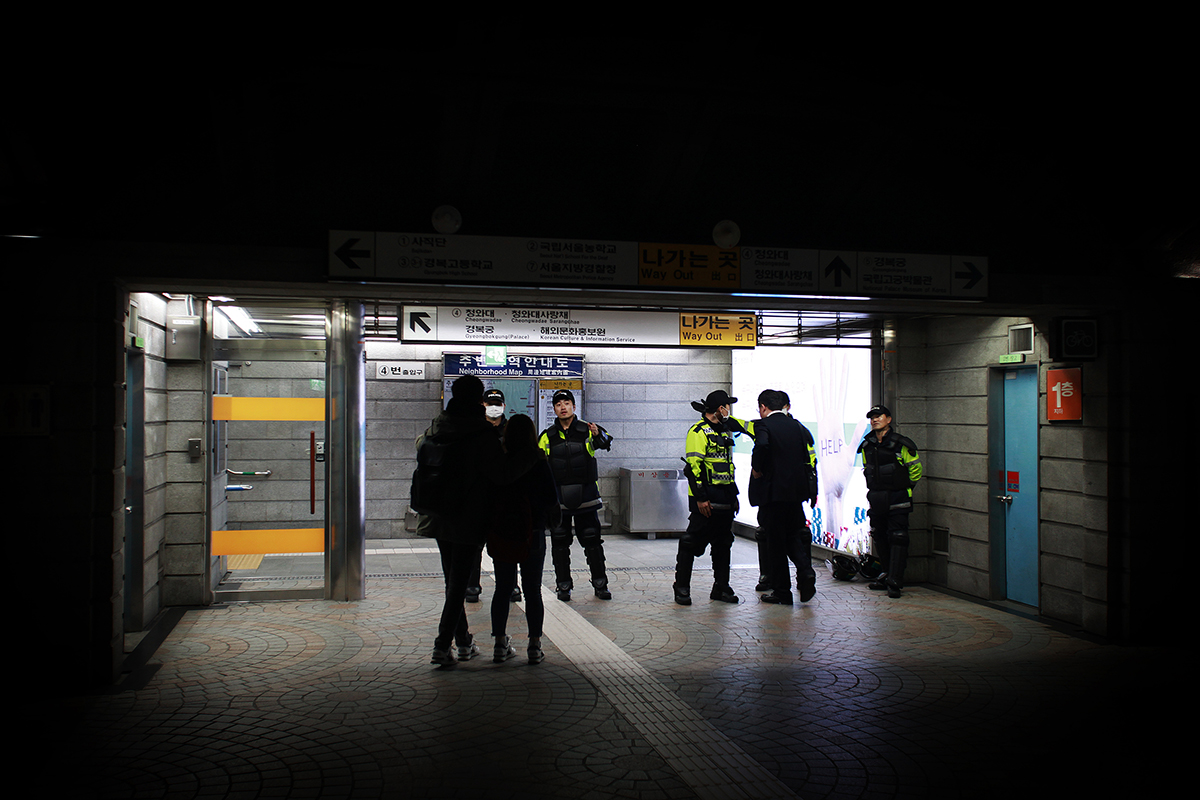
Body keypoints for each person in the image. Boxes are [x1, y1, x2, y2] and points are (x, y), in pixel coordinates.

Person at [418, 374, 506, 668]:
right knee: (458, 583)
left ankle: (464, 641)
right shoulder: (482, 434)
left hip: (439, 511)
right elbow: (498, 475)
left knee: (452, 580)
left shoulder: (437, 426)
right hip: (469, 514)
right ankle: (442, 645)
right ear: (479, 399)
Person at [488, 414, 558, 664]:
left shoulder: (498, 460)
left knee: (502, 588)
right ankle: (534, 645)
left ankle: (498, 643)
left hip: (502, 532)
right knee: (532, 591)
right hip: (534, 532)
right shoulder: (539, 460)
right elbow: (551, 498)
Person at [674, 390, 754, 605]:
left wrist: (733, 496)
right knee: (691, 543)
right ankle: (681, 586)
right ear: (720, 408)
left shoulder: (725, 429)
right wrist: (700, 498)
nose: (729, 410)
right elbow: (693, 467)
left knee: (723, 543)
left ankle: (721, 587)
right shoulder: (698, 432)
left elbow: (728, 465)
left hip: (725, 497)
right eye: (727, 406)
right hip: (706, 499)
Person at [538, 389, 614, 601]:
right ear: (553, 408)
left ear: (573, 406)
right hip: (558, 500)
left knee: (591, 540)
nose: (563, 407)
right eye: (558, 404)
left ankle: (600, 585)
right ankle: (563, 586)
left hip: (587, 498)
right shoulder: (546, 437)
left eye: (567, 402)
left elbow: (606, 443)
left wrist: (598, 434)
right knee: (560, 543)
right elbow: (539, 466)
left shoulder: (588, 429)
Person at [749, 389, 819, 605]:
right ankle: (806, 571)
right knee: (793, 537)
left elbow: (761, 445)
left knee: (776, 543)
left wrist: (756, 467)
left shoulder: (763, 425)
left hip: (773, 494)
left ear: (762, 407)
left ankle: (782, 591)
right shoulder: (798, 426)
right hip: (796, 494)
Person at [856, 405, 922, 598]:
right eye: (872, 417)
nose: (875, 420)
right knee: (879, 536)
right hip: (877, 498)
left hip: (898, 497)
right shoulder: (867, 445)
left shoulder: (901, 444)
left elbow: (915, 470)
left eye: (879, 416)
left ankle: (895, 580)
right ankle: (886, 574)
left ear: (888, 419)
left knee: (898, 537)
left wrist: (904, 487)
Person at [465, 388, 512, 604]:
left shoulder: (511, 430)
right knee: (475, 545)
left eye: (497, 403)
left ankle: (511, 585)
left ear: (503, 406)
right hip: (479, 496)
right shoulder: (474, 430)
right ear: (483, 405)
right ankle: (472, 585)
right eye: (489, 403)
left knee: (506, 544)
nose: (493, 407)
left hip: (504, 496)